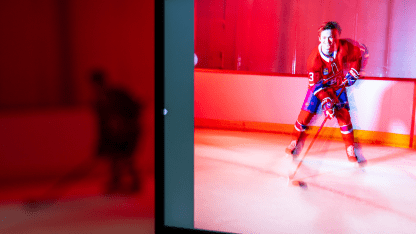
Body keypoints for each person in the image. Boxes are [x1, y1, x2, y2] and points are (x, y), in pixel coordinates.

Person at [285, 21, 364, 163]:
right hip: (319, 88)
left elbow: (357, 57)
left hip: (337, 86)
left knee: (344, 117)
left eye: (332, 37)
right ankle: (295, 142)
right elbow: (315, 85)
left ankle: (350, 148)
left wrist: (353, 72)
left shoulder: (344, 47)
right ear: (320, 39)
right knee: (305, 115)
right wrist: (327, 103)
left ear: (336, 37)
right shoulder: (313, 59)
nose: (328, 41)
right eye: (325, 37)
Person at [91, 70, 143, 194]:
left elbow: (135, 108)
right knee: (115, 158)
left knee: (125, 158)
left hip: (128, 132)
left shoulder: (117, 94)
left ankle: (133, 183)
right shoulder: (99, 101)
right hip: (114, 135)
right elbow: (103, 125)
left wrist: (124, 124)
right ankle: (117, 182)